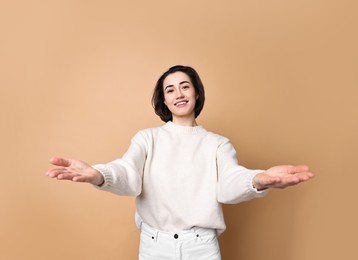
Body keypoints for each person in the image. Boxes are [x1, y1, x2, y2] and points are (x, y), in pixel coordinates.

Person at [46, 65, 314, 260]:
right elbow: (128, 173)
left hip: (202, 247)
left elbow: (229, 184)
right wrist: (99, 175)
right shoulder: (148, 138)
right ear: (164, 100)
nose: (179, 94)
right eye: (170, 90)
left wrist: (258, 179)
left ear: (197, 93)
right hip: (154, 246)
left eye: (185, 86)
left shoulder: (217, 144)